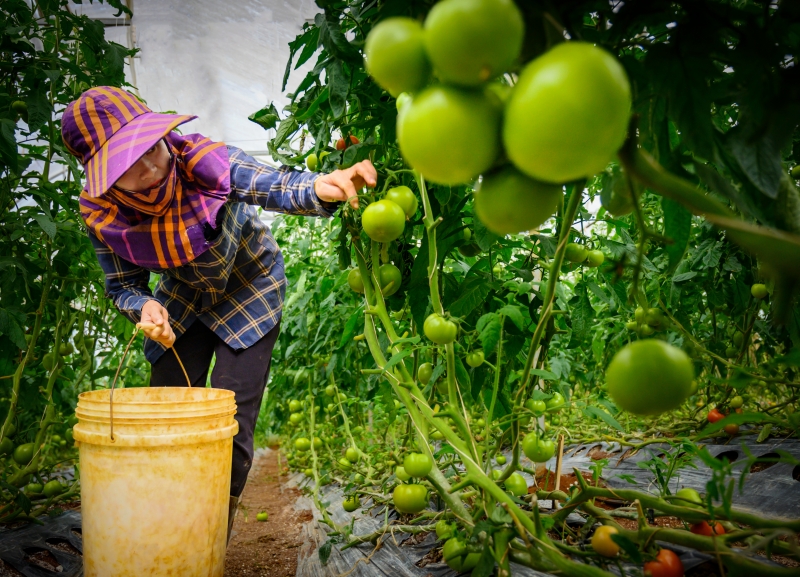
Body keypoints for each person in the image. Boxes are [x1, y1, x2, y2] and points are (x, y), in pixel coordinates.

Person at [61, 86, 376, 543]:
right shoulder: (103, 214)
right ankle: (164, 525)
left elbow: (271, 184)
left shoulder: (205, 162)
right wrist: (145, 305)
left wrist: (318, 188)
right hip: (182, 298)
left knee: (231, 421)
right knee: (165, 413)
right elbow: (122, 286)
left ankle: (207, 537)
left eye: (152, 149)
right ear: (104, 176)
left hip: (250, 287)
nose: (151, 168)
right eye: (129, 165)